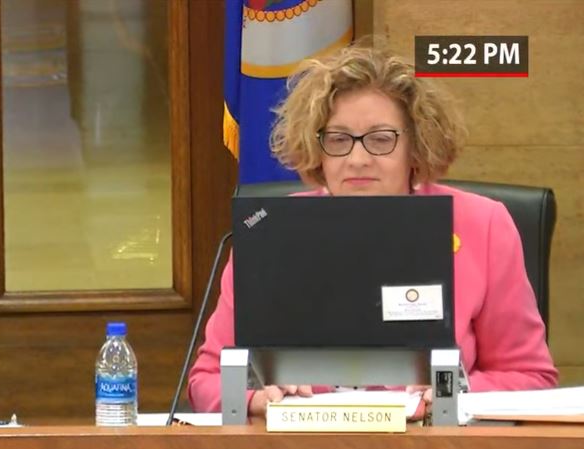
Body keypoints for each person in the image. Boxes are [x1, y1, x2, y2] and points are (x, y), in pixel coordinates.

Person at [188, 44, 557, 416]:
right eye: (338, 139)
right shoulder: (267, 230)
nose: (358, 159)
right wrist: (256, 398)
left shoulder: (482, 225)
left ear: (415, 145)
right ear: (317, 147)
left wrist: (452, 393)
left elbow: (531, 377)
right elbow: (206, 380)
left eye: (381, 139)